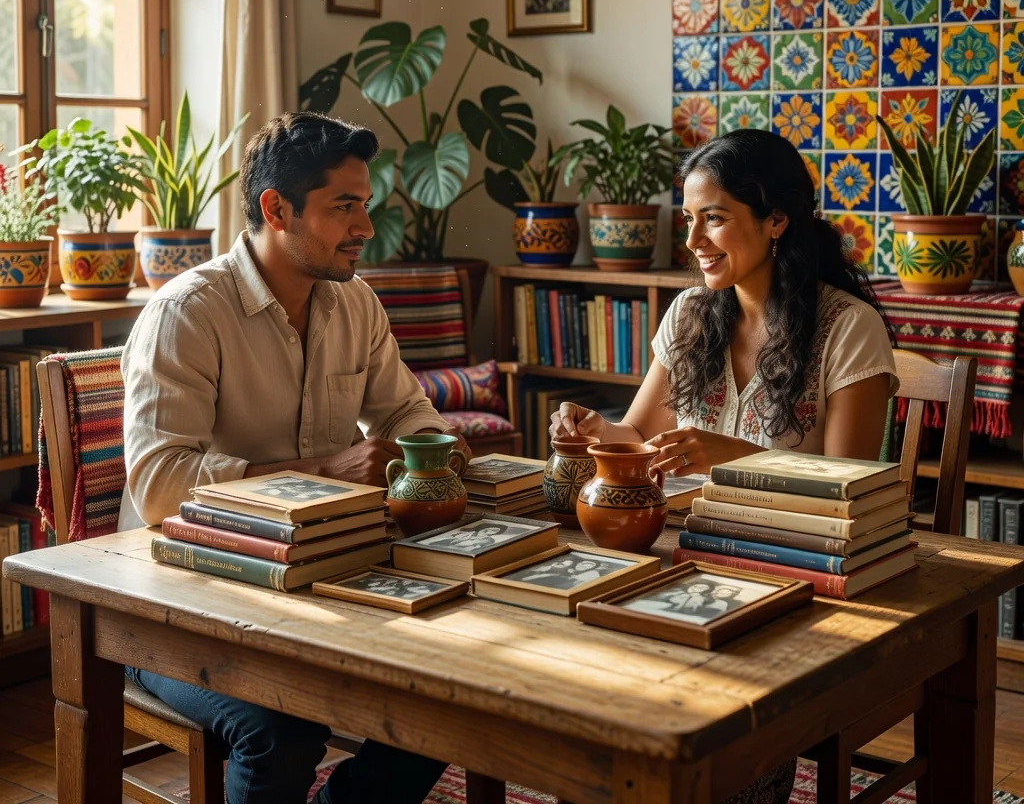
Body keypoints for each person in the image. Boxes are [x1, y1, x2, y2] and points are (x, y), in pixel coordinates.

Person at [121, 112, 471, 804]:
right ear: (275, 209)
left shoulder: (356, 302)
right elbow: (160, 486)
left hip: (317, 576)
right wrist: (315, 475)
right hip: (176, 603)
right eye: (344, 208)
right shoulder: (188, 313)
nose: (365, 228)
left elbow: (405, 412)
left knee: (450, 706)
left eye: (363, 206)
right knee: (281, 729)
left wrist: (438, 448)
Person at [550, 128, 898, 804]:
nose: (694, 241)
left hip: (802, 582)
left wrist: (741, 459)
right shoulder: (688, 316)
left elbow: (849, 487)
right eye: (689, 219)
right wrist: (591, 427)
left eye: (714, 217)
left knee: (716, 740)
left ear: (776, 219)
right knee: (589, 701)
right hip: (688, 559)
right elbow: (636, 432)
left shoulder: (848, 327)